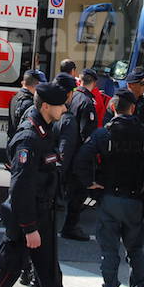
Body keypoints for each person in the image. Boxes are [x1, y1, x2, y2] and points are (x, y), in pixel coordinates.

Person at [75, 88, 144, 287]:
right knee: (135, 250)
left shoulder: (103, 133)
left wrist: (90, 183)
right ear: (133, 108)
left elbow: (81, 160)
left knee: (109, 249)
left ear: (113, 107)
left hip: (110, 198)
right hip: (135, 199)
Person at [0, 82, 69, 287]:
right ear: (46, 106)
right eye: (61, 105)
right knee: (6, 270)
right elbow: (21, 187)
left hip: (43, 215)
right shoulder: (29, 139)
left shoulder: (45, 130)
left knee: (50, 277)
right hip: (26, 220)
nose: (65, 109)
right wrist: (29, 228)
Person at [0, 69, 46, 188]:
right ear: (38, 84)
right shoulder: (29, 104)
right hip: (21, 147)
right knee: (20, 183)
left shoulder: (15, 97)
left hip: (12, 143)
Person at [60, 68, 100, 241]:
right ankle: (71, 227)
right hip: (80, 154)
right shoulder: (87, 102)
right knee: (79, 193)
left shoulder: (73, 97)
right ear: (94, 83)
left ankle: (69, 224)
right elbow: (87, 135)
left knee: (71, 191)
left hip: (69, 151)